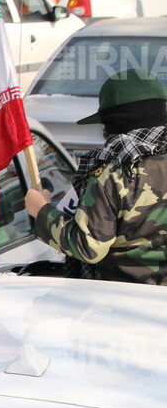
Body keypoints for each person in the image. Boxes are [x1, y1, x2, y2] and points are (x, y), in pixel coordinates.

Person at [25, 67, 167, 285]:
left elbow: (88, 247)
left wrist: (41, 211)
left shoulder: (114, 173)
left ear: (112, 122)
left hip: (122, 302)